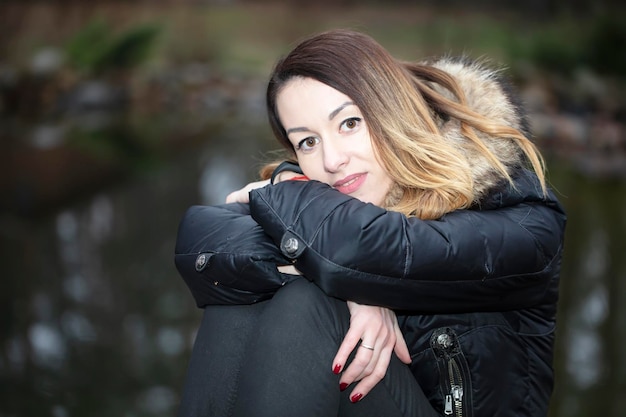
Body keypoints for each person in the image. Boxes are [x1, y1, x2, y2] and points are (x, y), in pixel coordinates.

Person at [174, 29, 566, 417]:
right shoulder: (324, 208)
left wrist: (290, 200)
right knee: (240, 300)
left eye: (348, 124)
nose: (332, 160)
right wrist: (352, 287)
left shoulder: (524, 219)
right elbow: (204, 242)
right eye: (307, 142)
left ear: (391, 111)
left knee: (310, 300)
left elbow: (391, 251)